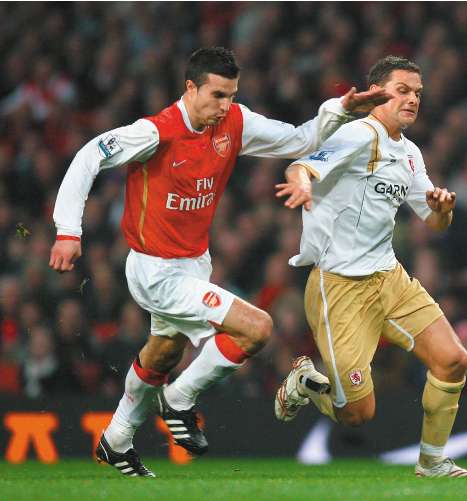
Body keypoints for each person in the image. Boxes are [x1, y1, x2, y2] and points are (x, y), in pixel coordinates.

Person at [49, 47, 389, 477]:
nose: (224, 105)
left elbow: (301, 139)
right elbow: (89, 155)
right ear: (190, 88)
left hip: (194, 263)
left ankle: (116, 441)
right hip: (155, 268)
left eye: (231, 95)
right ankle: (179, 401)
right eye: (216, 95)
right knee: (257, 328)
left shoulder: (236, 122)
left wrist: (342, 109)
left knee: (162, 355)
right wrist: (68, 231)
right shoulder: (156, 132)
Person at [274, 56, 467, 478]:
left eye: (418, 93)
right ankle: (303, 382)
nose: (412, 99)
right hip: (340, 286)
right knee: (357, 414)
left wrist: (442, 210)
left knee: (453, 360)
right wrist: (300, 181)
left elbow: (434, 221)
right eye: (402, 90)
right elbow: (302, 165)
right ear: (377, 94)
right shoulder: (357, 135)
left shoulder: (409, 153)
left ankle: (432, 461)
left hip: (389, 278)